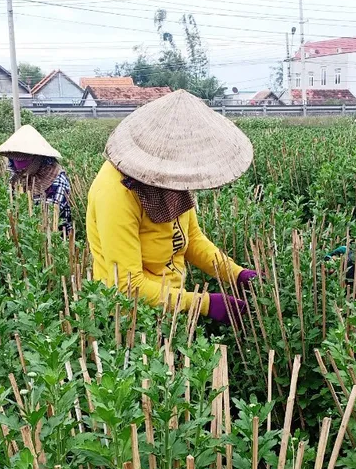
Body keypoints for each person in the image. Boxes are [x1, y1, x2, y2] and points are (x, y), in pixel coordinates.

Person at [86, 90, 256, 324]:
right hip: (132, 319)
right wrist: (203, 304)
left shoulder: (173, 181)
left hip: (171, 306)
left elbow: (192, 239)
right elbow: (128, 284)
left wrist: (236, 274)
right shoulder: (115, 192)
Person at [0, 125, 72, 234]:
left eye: (23, 158)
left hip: (53, 237)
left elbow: (52, 219)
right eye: (15, 158)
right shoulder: (17, 177)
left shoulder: (56, 181)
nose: (18, 164)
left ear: (38, 157)